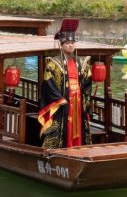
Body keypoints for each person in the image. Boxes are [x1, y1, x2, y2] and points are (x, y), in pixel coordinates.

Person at [38, 19, 92, 149]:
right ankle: (61, 148)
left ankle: (79, 147)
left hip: (78, 100)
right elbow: (48, 83)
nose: (70, 45)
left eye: (72, 42)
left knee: (78, 124)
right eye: (67, 43)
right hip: (62, 101)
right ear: (61, 45)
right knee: (64, 124)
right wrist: (59, 99)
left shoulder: (81, 63)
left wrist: (85, 97)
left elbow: (87, 82)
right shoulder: (53, 64)